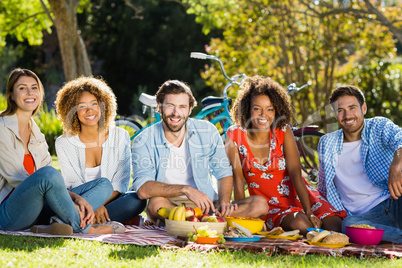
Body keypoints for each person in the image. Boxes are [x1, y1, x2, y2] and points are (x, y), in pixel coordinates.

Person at [131, 80, 268, 224]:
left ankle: (201, 222)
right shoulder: (144, 140)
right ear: (159, 107)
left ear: (190, 109)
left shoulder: (207, 131)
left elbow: (223, 172)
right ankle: (213, 223)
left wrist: (224, 202)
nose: (176, 113)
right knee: (155, 204)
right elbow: (143, 189)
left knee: (259, 204)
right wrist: (186, 190)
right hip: (170, 204)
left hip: (207, 204)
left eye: (182, 107)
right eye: (170, 106)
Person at [225, 76, 346, 235]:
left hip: (302, 196)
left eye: (270, 109)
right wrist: (244, 219)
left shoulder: (283, 130)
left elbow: (296, 173)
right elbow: (238, 181)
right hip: (269, 206)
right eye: (257, 108)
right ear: (247, 108)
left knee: (335, 227)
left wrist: (309, 211)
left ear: (276, 111)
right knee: (301, 225)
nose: (264, 115)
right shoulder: (234, 136)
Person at [0, 68, 115, 235]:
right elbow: (19, 179)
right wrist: (70, 200)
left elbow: (48, 180)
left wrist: (76, 198)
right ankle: (83, 227)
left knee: (104, 185)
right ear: (11, 94)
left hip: (38, 208)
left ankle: (57, 223)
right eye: (22, 88)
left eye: (34, 87)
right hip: (8, 212)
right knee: (49, 174)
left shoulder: (34, 129)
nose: (29, 92)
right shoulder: (2, 127)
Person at [54, 76, 146, 225]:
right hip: (79, 202)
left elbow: (120, 182)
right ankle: (102, 220)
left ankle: (77, 221)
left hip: (109, 202)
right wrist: (92, 205)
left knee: (136, 200)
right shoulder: (64, 143)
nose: (89, 110)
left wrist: (99, 205)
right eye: (82, 106)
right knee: (61, 201)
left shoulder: (120, 136)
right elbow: (72, 184)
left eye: (94, 104)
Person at [318, 85, 402, 243]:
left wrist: (396, 165)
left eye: (352, 107)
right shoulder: (327, 143)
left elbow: (400, 138)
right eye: (340, 110)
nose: (347, 115)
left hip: (394, 201)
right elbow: (323, 188)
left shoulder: (378, 126)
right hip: (363, 218)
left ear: (363, 108)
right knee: (349, 226)